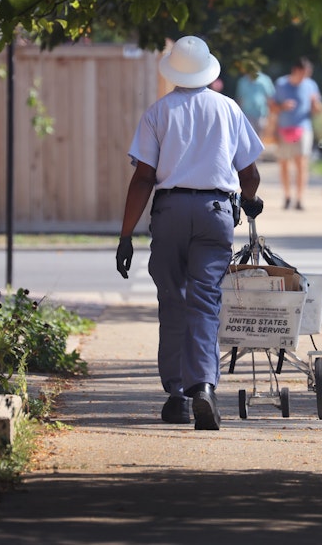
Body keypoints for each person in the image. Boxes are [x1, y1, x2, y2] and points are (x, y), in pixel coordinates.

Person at [115, 36, 265, 431]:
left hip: (170, 212)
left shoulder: (158, 112)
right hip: (215, 212)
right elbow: (249, 173)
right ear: (209, 69)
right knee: (205, 301)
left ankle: (178, 395)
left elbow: (143, 177)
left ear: (173, 71)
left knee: (173, 300)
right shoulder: (229, 108)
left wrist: (125, 234)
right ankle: (204, 387)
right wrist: (249, 200)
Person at [270, 57, 322, 210]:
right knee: (284, 164)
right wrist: (282, 107)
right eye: (304, 73)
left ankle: (299, 199)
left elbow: (318, 110)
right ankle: (287, 196)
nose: (305, 77)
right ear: (296, 70)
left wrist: (314, 103)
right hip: (283, 129)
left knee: (301, 164)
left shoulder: (311, 85)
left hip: (303, 128)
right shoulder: (281, 84)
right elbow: (272, 108)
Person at [235, 67, 275, 139]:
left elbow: (270, 98)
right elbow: (239, 99)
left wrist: (271, 116)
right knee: (247, 138)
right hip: (246, 115)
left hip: (262, 114)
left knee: (260, 138)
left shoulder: (265, 80)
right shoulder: (242, 81)